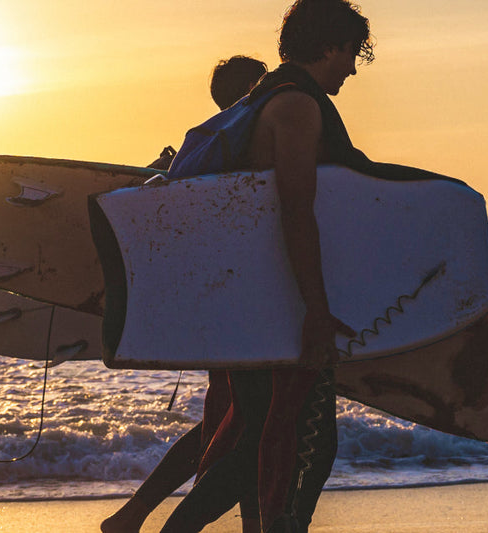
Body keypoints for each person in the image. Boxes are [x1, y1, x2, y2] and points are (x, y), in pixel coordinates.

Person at [158, 2, 374, 532]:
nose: (352, 66)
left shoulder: (265, 97)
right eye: (351, 52)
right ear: (330, 45)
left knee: (259, 435)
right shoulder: (296, 107)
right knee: (306, 441)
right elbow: (295, 213)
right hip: (277, 300)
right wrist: (316, 310)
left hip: (250, 299)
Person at [100, 55, 269, 533]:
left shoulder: (206, 145)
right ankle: (144, 517)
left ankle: (133, 515)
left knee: (234, 422)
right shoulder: (239, 143)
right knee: (246, 425)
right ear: (252, 92)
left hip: (223, 306)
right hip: (246, 308)